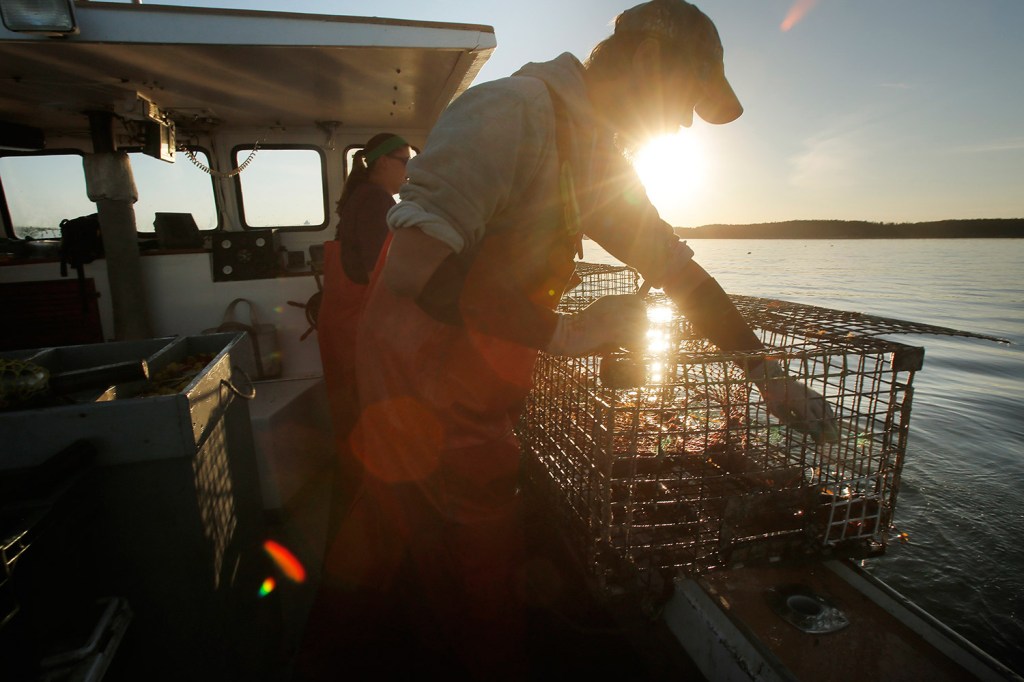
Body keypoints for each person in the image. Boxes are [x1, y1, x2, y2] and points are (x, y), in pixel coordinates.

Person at [306, 1, 837, 678]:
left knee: (420, 570)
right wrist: (571, 331)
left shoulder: (596, 156)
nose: (681, 125)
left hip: (477, 389)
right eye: (684, 101)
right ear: (646, 61)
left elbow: (681, 275)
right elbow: (414, 270)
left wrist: (767, 374)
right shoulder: (512, 112)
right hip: (417, 390)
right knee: (451, 581)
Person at [315, 133, 412, 519]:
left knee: (353, 415)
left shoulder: (363, 198)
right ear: (383, 163)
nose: (409, 169)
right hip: (354, 326)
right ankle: (371, 505)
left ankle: (359, 494)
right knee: (366, 417)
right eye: (405, 160)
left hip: (344, 322)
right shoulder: (375, 202)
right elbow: (381, 276)